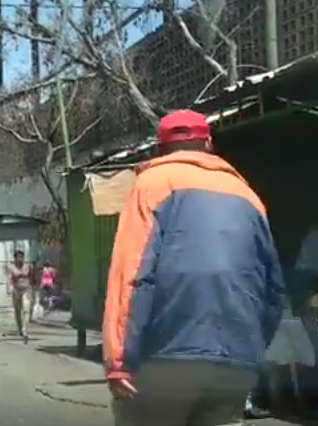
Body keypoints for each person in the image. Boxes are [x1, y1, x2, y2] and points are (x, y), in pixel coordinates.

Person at [102, 109, 285, 426]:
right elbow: (273, 290)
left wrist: (118, 360)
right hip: (235, 365)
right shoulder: (248, 195)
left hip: (166, 359)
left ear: (160, 148)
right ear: (209, 144)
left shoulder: (151, 184)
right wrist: (251, 349)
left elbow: (130, 277)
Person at [7, 250, 33, 343]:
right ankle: (20, 328)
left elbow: (32, 277)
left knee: (26, 309)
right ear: (15, 258)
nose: (20, 259)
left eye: (21, 257)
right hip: (16, 290)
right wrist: (9, 288)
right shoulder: (11, 267)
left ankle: (24, 329)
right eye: (18, 257)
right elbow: (9, 278)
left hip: (26, 289)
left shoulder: (28, 266)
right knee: (18, 311)